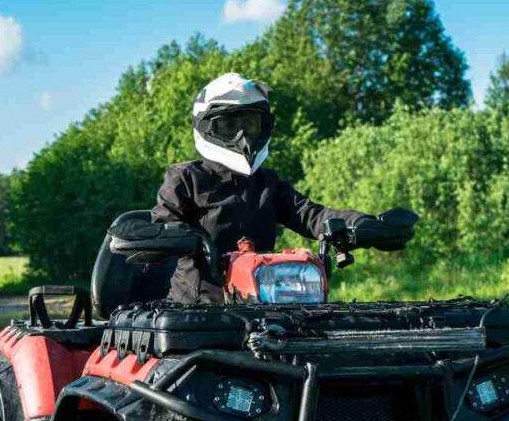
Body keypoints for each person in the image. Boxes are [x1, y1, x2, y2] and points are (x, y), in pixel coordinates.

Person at [151, 72, 393, 304]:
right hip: (194, 310)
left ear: (264, 126)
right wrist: (165, 237)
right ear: (206, 127)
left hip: (263, 305)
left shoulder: (267, 182)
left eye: (250, 124)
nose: (243, 136)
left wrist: (360, 223)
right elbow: (163, 224)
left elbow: (311, 215)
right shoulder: (185, 179)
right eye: (229, 126)